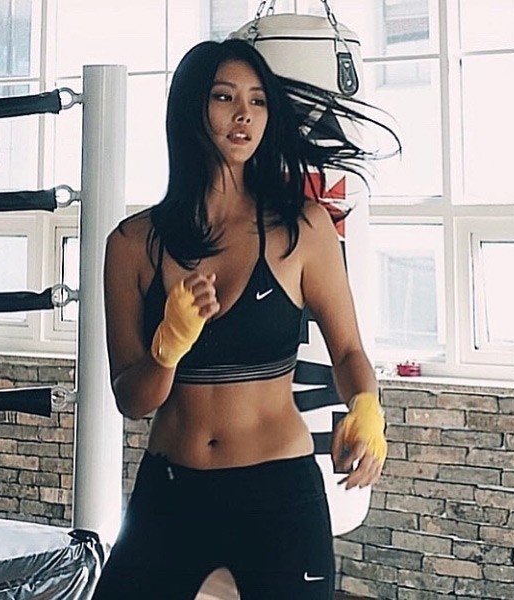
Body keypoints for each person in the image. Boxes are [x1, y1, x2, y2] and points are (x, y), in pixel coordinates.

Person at [93, 38, 397, 600]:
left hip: (277, 494)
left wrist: (367, 406)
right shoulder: (133, 244)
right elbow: (132, 401)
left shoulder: (302, 227)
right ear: (191, 108)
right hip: (171, 491)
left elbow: (348, 351)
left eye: (258, 101)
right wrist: (168, 348)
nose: (244, 115)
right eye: (224, 97)